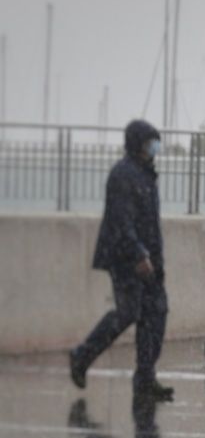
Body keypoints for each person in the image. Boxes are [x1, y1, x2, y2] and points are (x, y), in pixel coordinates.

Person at [70, 119, 173, 401]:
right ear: (137, 144)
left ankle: (145, 378)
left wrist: (155, 257)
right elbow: (121, 221)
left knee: (156, 314)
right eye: (150, 141)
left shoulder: (146, 174)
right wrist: (138, 253)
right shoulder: (123, 175)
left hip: (150, 259)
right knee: (128, 312)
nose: (154, 146)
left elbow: (150, 223)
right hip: (126, 258)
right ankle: (81, 356)